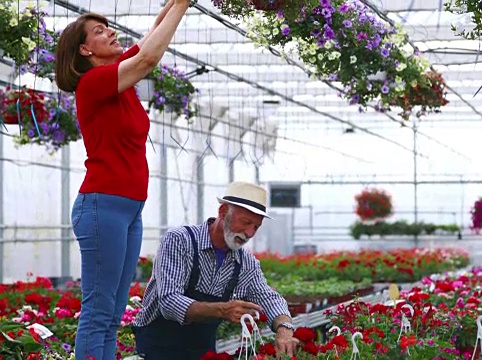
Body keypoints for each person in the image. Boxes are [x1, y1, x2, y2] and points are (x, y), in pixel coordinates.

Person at [54, 0, 190, 359]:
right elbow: (148, 58)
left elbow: (147, 43)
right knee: (99, 312)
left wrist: (176, 5)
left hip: (128, 210)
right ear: (85, 50)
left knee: (113, 313)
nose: (111, 31)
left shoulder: (118, 78)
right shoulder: (94, 82)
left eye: (108, 26)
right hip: (103, 206)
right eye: (100, 31)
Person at [132, 182, 299, 359]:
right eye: (246, 222)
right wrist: (222, 310)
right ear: (223, 212)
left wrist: (284, 329)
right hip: (156, 348)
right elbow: (169, 302)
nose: (250, 233)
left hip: (201, 351)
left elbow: (269, 298)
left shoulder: (246, 263)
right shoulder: (180, 240)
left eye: (256, 227)